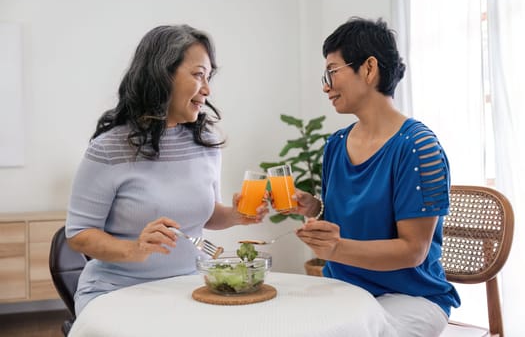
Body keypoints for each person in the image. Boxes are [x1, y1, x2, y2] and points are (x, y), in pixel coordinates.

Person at [65, 24, 267, 316]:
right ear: (162, 75)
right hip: (117, 290)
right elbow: (79, 234)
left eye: (208, 77)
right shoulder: (109, 148)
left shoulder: (205, 141)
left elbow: (206, 213)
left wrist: (236, 215)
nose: (207, 90)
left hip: (189, 287)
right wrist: (135, 249)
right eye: (198, 75)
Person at [293, 17, 460, 336]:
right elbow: (344, 216)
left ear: (368, 69)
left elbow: (413, 251)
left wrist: (336, 249)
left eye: (332, 71)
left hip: (412, 298)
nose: (325, 86)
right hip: (345, 292)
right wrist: (313, 208)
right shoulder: (336, 144)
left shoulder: (417, 147)